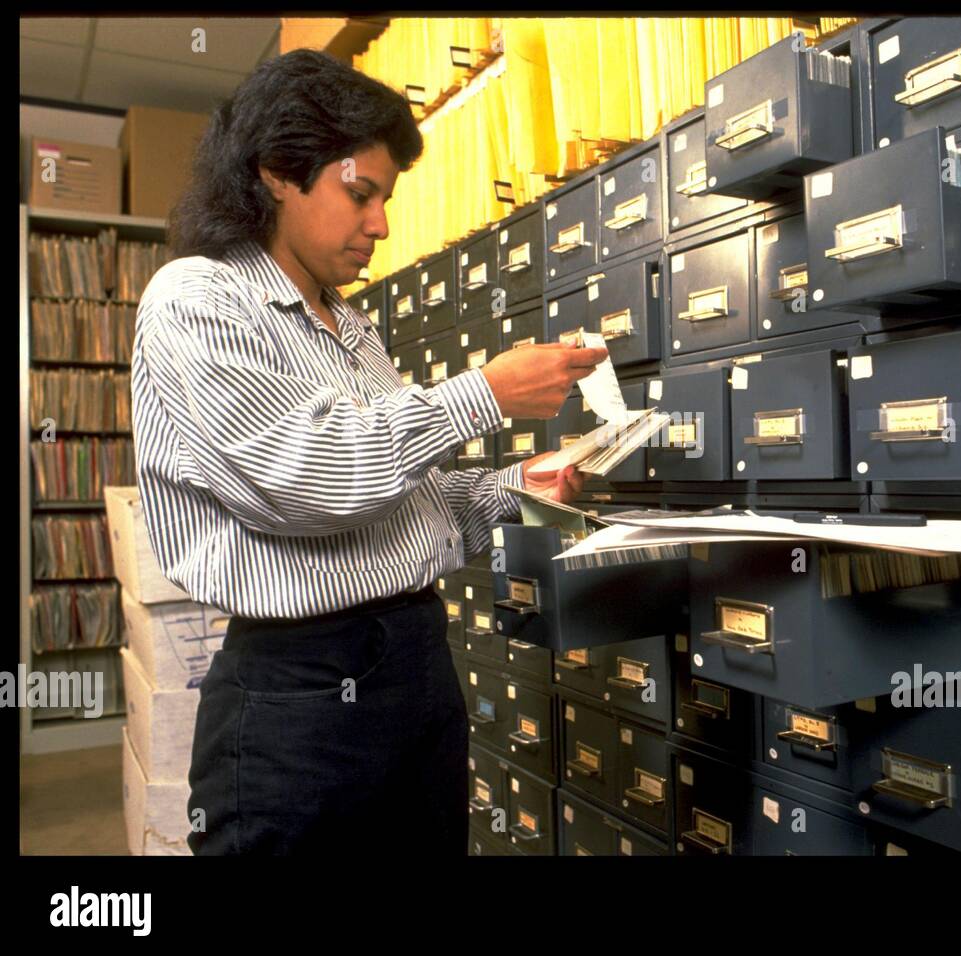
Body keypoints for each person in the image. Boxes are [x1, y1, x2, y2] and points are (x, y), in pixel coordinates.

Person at [129, 49, 608, 855]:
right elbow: (309, 479)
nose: (381, 224)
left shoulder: (350, 328)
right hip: (299, 698)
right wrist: (483, 392)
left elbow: (400, 510)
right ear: (279, 170)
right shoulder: (196, 299)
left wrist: (516, 483)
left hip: (416, 668)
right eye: (360, 193)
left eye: (385, 198)